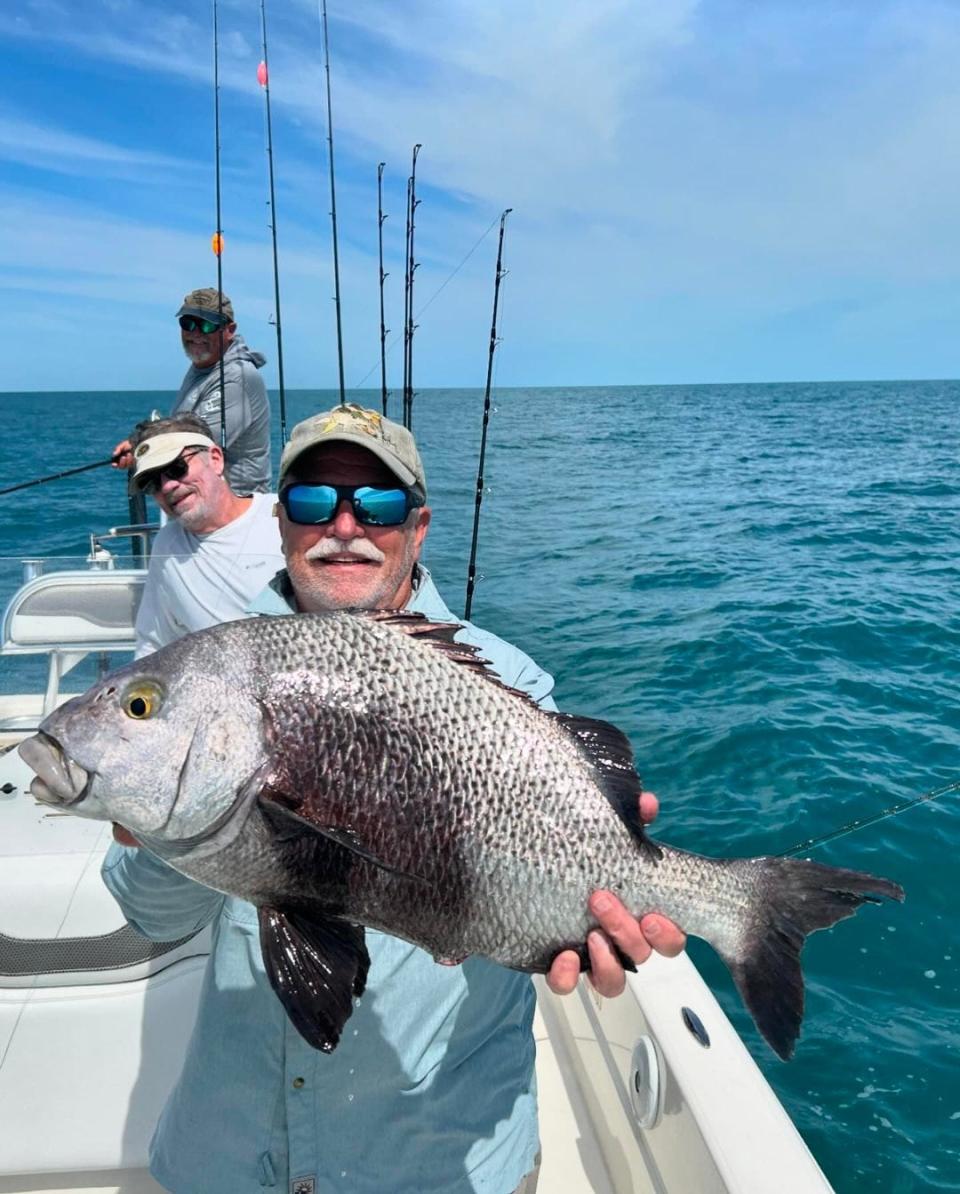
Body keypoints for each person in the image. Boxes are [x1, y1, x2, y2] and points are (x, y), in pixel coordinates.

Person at [102, 404, 686, 1194]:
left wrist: (594, 926)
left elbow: (557, 895)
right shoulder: (211, 677)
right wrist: (163, 816)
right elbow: (153, 919)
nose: (345, 526)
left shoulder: (511, 689)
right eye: (313, 502)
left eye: (377, 504)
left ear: (418, 525)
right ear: (282, 524)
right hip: (233, 1159)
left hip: (435, 1165)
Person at [128, 413, 284, 657]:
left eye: (176, 468)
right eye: (152, 483)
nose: (167, 486)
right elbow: (154, 643)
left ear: (215, 459)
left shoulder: (286, 516)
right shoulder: (167, 546)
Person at [112, 288, 271, 495]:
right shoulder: (202, 366)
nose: (196, 333)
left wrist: (144, 447)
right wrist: (137, 444)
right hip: (199, 505)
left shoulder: (238, 377)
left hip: (235, 511)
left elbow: (194, 442)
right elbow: (182, 427)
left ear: (230, 329)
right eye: (188, 323)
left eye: (207, 325)